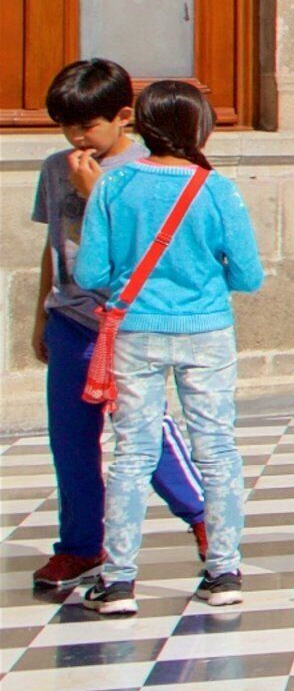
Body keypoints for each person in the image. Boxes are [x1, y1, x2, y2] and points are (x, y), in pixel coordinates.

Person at [55, 79, 259, 620]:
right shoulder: (216, 189)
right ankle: (223, 570)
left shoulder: (113, 188)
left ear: (140, 125)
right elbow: (249, 275)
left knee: (131, 454)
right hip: (206, 331)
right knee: (216, 448)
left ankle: (119, 580)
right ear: (199, 128)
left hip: (136, 332)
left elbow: (92, 272)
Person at [31, 60, 212, 597]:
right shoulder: (55, 167)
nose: (75, 137)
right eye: (66, 126)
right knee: (71, 440)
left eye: (86, 126)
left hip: (127, 325)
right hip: (70, 320)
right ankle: (81, 543)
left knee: (142, 432)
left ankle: (203, 516)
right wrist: (41, 314)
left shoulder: (146, 170)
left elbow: (144, 250)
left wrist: (96, 194)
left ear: (124, 117)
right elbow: (53, 247)